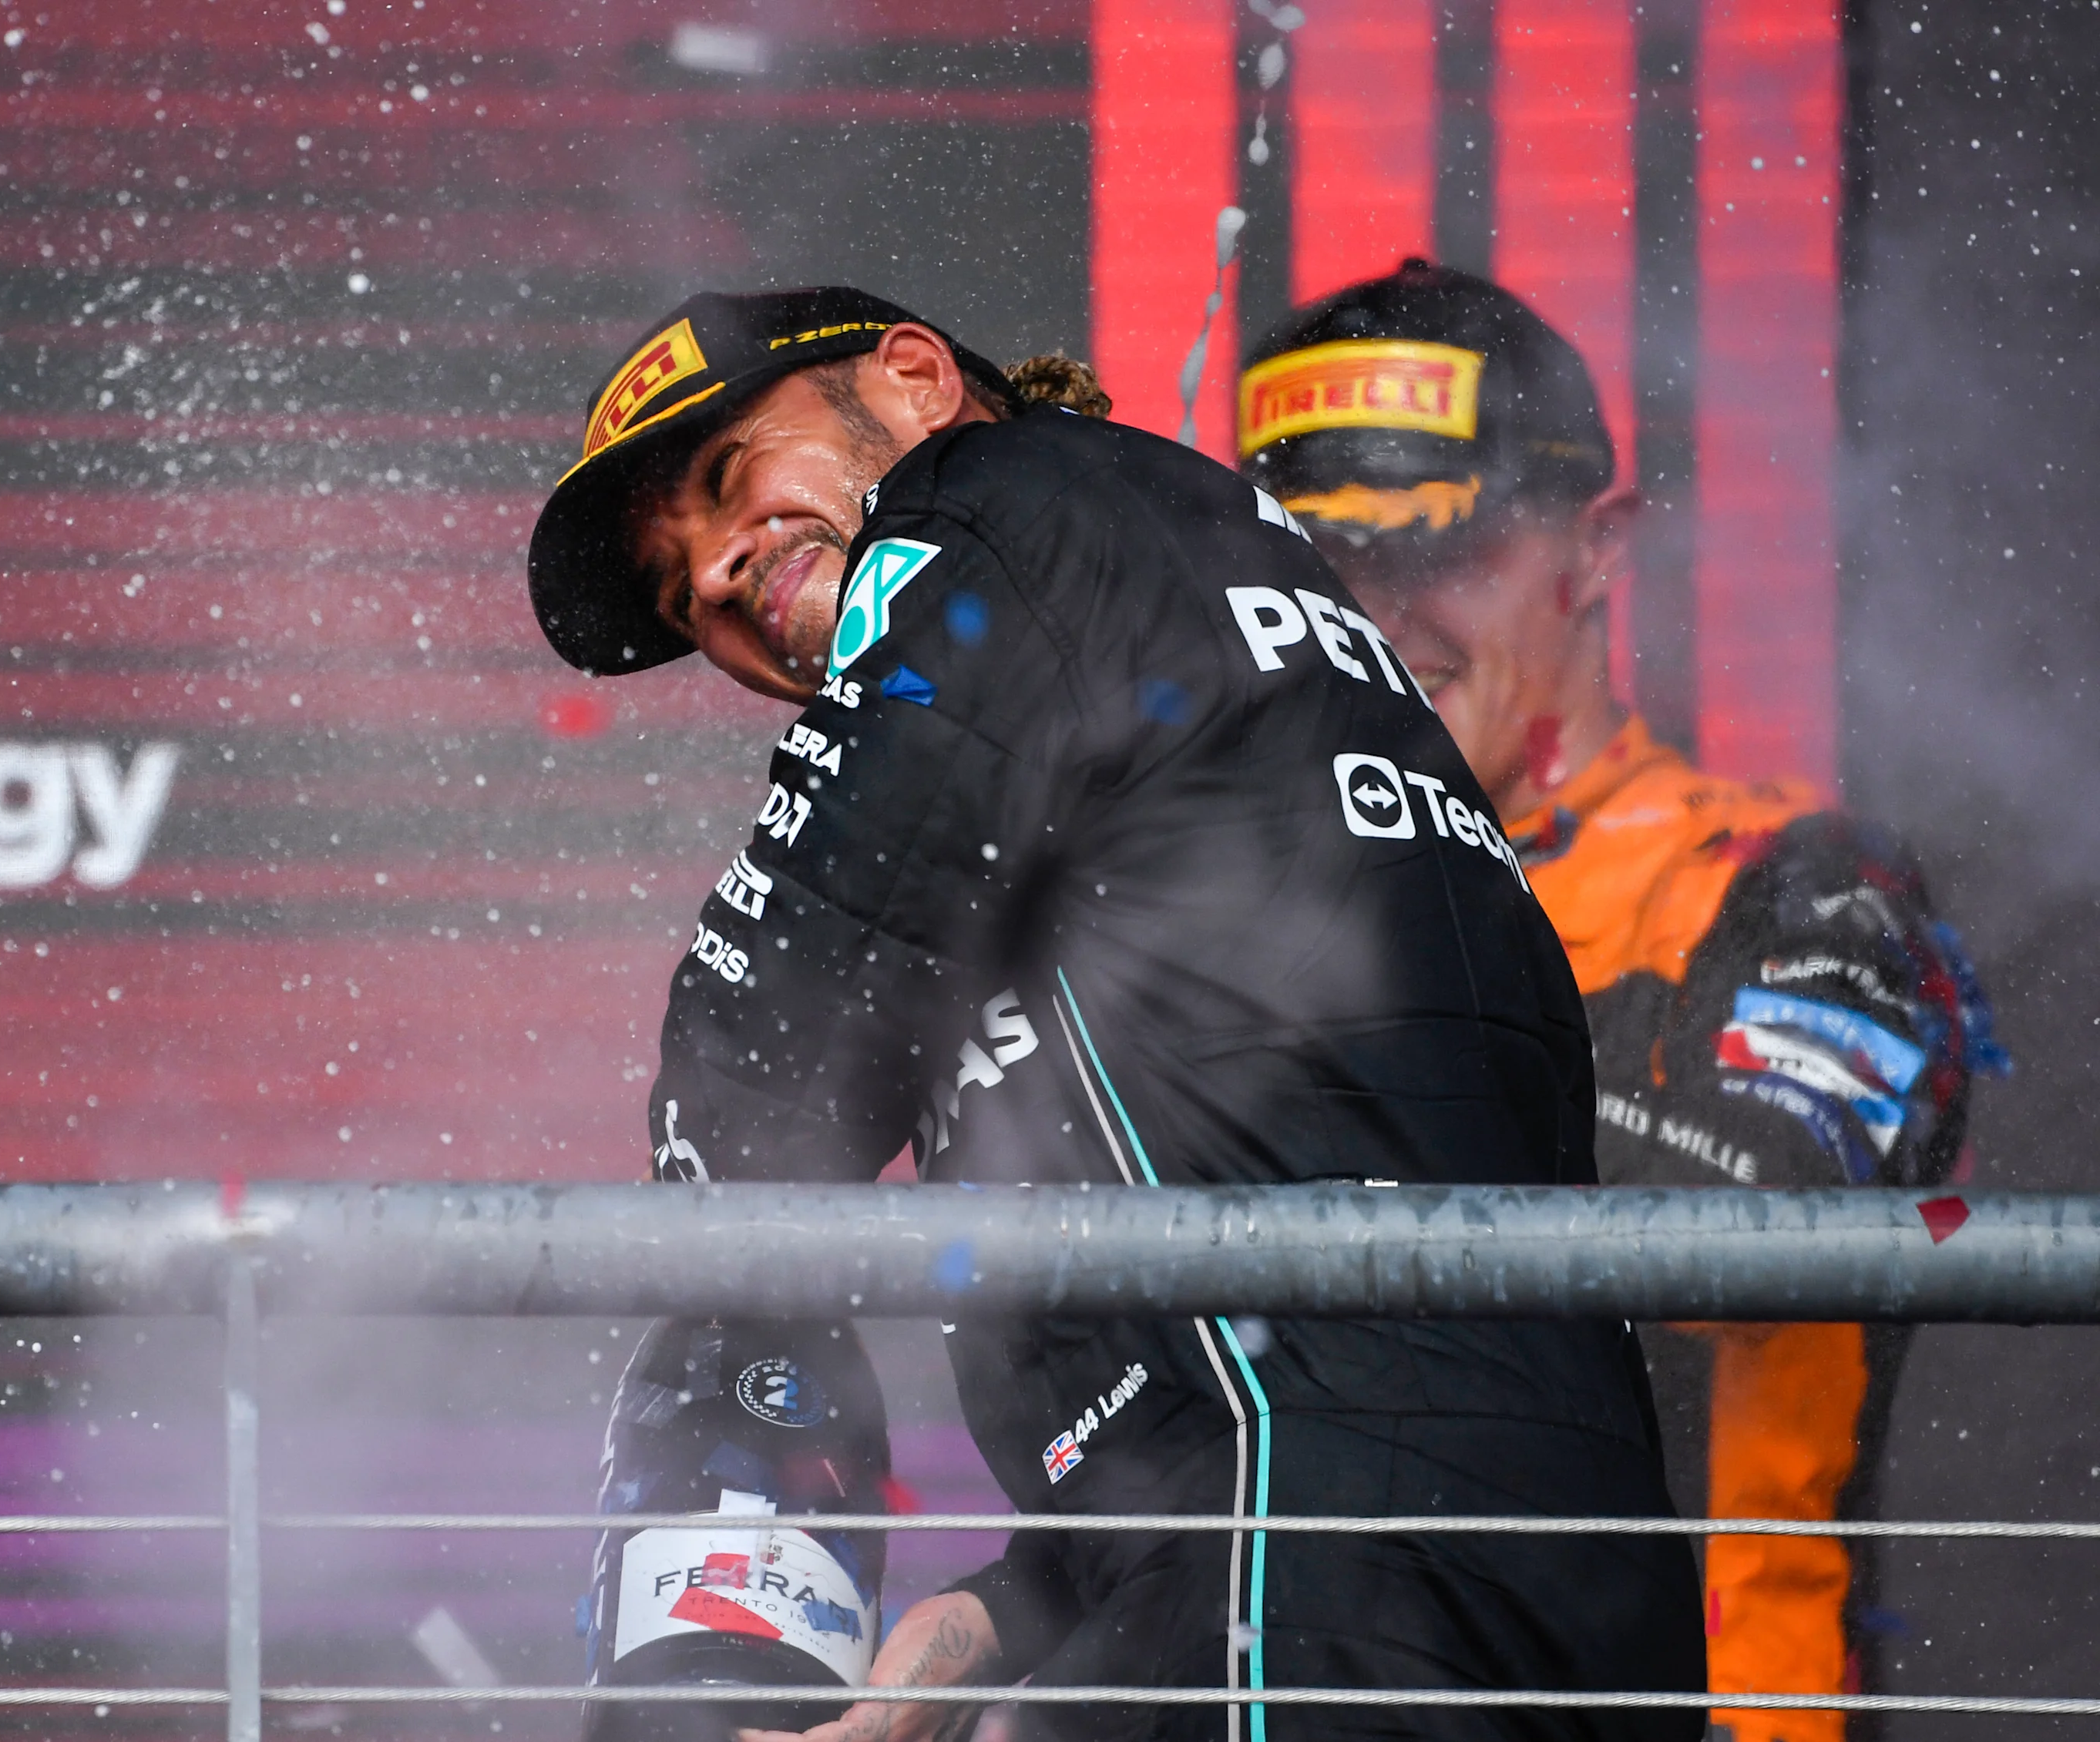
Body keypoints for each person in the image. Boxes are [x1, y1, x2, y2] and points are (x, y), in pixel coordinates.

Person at [526, 285, 1705, 1742]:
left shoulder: (995, 498)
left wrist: (721, 1283)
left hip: (1318, 1580)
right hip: (1527, 1582)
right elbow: (1337, 1326)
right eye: (674, 585)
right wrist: (987, 1625)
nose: (713, 573)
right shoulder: (1196, 620)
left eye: (729, 480)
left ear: (911, 382)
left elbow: (775, 1044)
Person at [1235, 260, 2006, 1742]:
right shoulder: (1237, 908)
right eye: (1320, 569)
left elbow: (1760, 1217)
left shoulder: (1797, 878)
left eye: (1439, 548)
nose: (1377, 614)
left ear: (1595, 550)